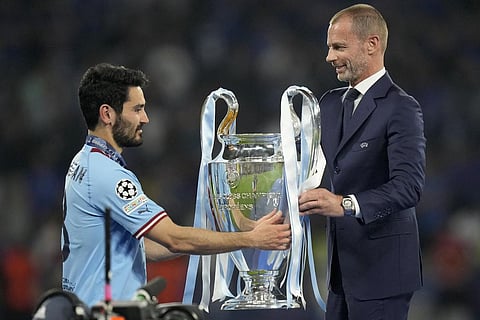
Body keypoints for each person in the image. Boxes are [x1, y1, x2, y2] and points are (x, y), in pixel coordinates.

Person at [61, 63, 291, 307]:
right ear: (107, 114)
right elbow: (174, 238)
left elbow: (147, 248)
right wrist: (252, 239)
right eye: (137, 109)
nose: (145, 119)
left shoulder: (84, 161)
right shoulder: (107, 174)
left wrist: (228, 231)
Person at [298, 4, 426, 320]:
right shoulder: (328, 104)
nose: (329, 56)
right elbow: (305, 168)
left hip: (382, 273)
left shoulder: (401, 108)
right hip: (341, 274)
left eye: (338, 47)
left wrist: (346, 204)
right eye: (329, 47)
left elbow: (409, 187)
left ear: (371, 45)